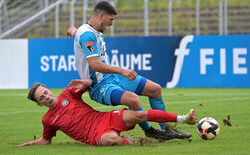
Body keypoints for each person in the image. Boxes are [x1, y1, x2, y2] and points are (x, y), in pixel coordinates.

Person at [66, 1, 190, 140]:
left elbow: (76, 32)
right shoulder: (87, 35)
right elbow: (94, 65)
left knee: (155, 89)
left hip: (112, 78)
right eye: (110, 19)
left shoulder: (88, 30)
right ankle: (150, 131)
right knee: (133, 100)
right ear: (101, 16)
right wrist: (122, 71)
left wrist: (72, 30)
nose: (111, 24)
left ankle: (166, 129)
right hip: (100, 87)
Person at [19, 79, 197, 147]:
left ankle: (183, 119)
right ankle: (135, 142)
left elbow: (89, 82)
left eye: (46, 93)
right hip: (93, 135)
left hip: (103, 118)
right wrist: (30, 144)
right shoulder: (48, 120)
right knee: (112, 139)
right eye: (42, 98)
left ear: (49, 90)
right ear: (40, 105)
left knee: (140, 115)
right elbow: (46, 140)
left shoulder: (68, 94)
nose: (47, 97)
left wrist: (84, 82)